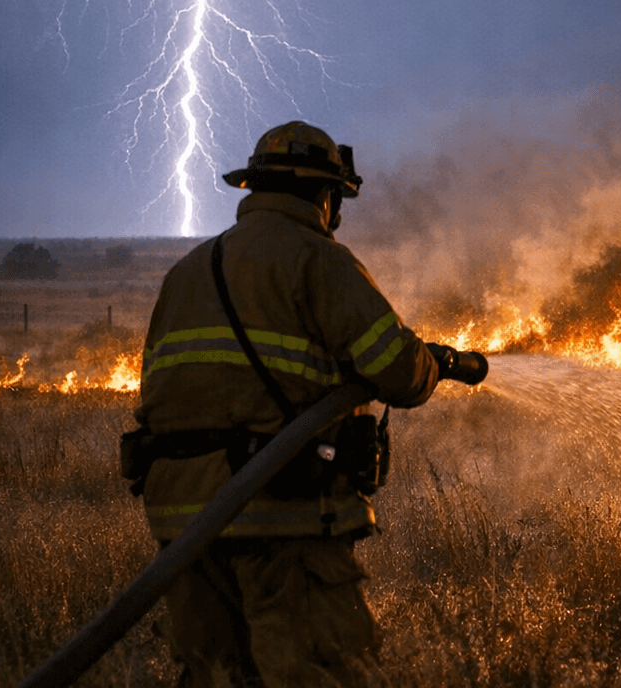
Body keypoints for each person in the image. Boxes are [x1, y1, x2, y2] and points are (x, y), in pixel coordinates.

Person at [131, 121, 469, 687]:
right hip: (280, 514)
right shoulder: (319, 261)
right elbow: (398, 371)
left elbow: (155, 396)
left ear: (255, 187)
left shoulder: (186, 273)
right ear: (326, 196)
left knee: (217, 676)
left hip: (184, 527)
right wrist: (437, 362)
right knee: (322, 672)